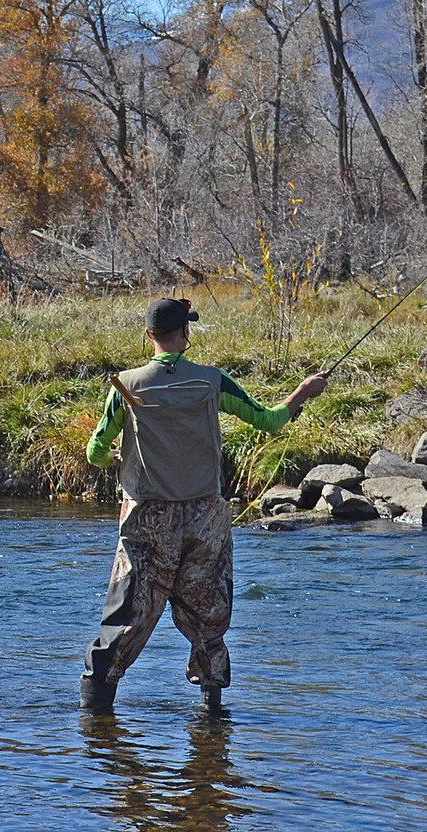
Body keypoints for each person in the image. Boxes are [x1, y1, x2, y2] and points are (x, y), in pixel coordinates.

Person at [80, 297, 328, 714]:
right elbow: (267, 420)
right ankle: (212, 714)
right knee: (208, 613)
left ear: (149, 337)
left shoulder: (125, 386)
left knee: (129, 612)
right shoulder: (213, 381)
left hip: (146, 518)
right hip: (204, 519)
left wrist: (113, 459)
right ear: (186, 334)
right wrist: (303, 392)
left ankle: (95, 713)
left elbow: (94, 452)